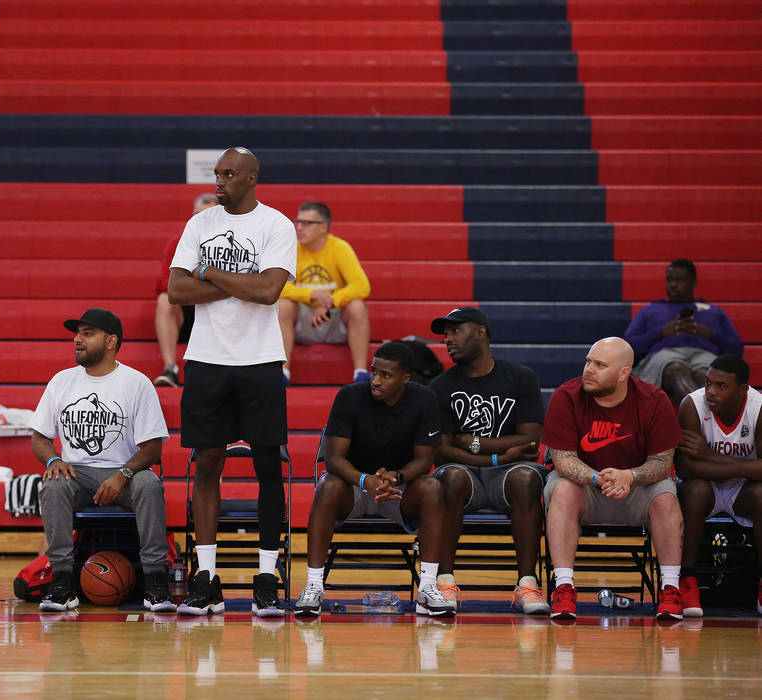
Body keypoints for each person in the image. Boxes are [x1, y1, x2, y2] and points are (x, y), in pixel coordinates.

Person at [167, 146, 297, 617]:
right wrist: (237, 279)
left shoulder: (277, 225)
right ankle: (207, 577)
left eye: (228, 174)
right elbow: (175, 291)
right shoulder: (199, 223)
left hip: (260, 360)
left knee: (267, 468)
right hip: (205, 359)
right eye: (218, 173)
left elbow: (268, 292)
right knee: (207, 465)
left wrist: (207, 270)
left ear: (252, 179)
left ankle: (266, 575)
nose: (219, 181)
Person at [29, 308, 174, 613]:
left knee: (149, 484)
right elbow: (39, 437)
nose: (77, 339)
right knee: (53, 484)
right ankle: (62, 583)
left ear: (111, 341)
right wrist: (53, 459)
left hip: (127, 473)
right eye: (77, 333)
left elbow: (152, 449)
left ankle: (156, 582)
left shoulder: (137, 383)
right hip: (77, 473)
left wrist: (122, 474)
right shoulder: (61, 381)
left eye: (87, 333)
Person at [294, 341, 452, 618]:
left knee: (432, 486)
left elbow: (425, 461)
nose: (375, 381)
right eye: (373, 372)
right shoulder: (350, 396)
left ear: (405, 377)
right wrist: (365, 479)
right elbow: (333, 460)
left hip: (398, 490)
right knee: (327, 484)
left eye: (385, 375)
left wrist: (397, 476)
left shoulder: (424, 398)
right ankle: (313, 586)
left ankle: (427, 588)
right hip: (354, 487)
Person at [542, 336, 684, 621]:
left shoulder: (654, 400)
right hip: (589, 488)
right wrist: (597, 477)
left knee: (666, 496)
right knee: (562, 488)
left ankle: (671, 589)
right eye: (588, 362)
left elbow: (662, 462)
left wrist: (629, 476)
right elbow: (563, 459)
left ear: (624, 373)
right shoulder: (566, 396)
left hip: (637, 487)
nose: (589, 370)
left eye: (600, 365)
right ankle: (564, 587)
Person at [428, 307, 549, 615]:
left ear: (480, 332)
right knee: (449, 477)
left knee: (526, 478)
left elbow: (530, 442)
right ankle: (443, 582)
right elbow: (441, 450)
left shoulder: (521, 378)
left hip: (508, 474)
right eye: (445, 333)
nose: (447, 339)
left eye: (456, 331)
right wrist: (498, 455)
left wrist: (476, 443)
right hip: (467, 475)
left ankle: (527, 584)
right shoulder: (440, 386)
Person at [675, 354, 762, 617]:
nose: (710, 391)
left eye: (721, 386)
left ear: (743, 390)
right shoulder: (692, 405)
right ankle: (687, 580)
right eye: (708, 382)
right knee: (695, 490)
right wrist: (747, 468)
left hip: (742, 491)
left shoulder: (758, 409)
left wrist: (709, 456)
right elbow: (686, 468)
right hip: (704, 488)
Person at [624, 258, 743, 405]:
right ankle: (705, 417)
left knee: (706, 375)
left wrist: (710, 334)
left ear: (693, 282)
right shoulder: (649, 311)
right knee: (676, 369)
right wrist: (661, 332)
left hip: (704, 355)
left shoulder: (713, 312)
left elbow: (737, 350)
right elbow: (627, 348)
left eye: (679, 280)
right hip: (665, 355)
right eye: (670, 280)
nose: (673, 285)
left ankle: (698, 415)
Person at [277, 201, 371, 385]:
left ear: (323, 227)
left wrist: (329, 303)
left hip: (332, 318)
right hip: (302, 320)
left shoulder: (339, 248)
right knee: (283, 306)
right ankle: (283, 373)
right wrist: (311, 294)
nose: (299, 228)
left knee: (357, 307)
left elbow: (362, 286)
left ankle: (360, 372)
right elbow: (278, 287)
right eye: (297, 222)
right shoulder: (292, 249)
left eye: (306, 223)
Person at [153, 192, 218, 387]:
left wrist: (188, 285)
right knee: (164, 300)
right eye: (197, 215)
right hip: (186, 312)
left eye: (207, 216)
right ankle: (170, 369)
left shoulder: (230, 245)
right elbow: (163, 283)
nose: (201, 221)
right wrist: (198, 289)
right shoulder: (178, 242)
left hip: (216, 311)